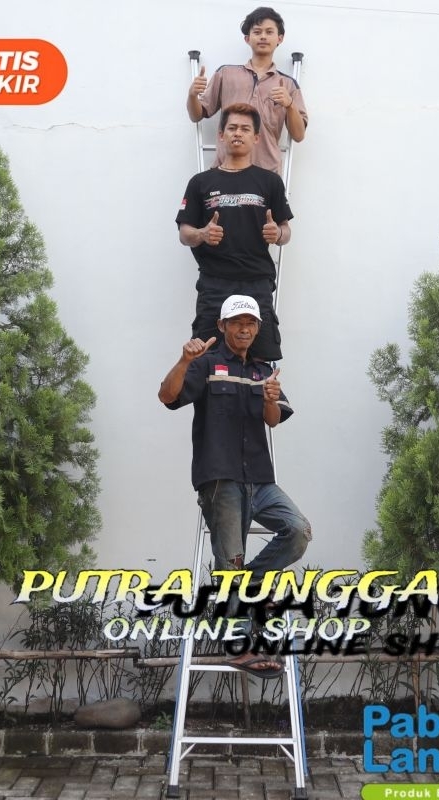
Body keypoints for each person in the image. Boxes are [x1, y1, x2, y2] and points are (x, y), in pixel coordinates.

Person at [158, 294, 311, 678]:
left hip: (260, 479)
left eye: (250, 323)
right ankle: (238, 643)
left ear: (257, 328)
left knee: (298, 531)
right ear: (222, 326)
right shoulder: (206, 364)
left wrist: (271, 399)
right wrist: (184, 361)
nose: (245, 329)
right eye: (237, 322)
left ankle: (250, 589)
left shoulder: (263, 371)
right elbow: (167, 396)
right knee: (230, 562)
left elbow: (272, 420)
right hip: (220, 479)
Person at [176, 103, 292, 362]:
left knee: (260, 361)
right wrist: (202, 234)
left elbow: (286, 231)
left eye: (245, 129)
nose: (238, 133)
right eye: (232, 128)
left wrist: (277, 233)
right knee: (204, 358)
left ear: (256, 137)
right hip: (214, 283)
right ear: (221, 134)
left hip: (256, 282)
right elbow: (184, 233)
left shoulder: (270, 182)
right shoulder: (200, 183)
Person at [187, 6, 308, 174]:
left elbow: (299, 135)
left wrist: (290, 105)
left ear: (280, 38)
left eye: (269, 32)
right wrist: (192, 95)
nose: (263, 36)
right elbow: (196, 115)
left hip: (266, 173)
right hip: (225, 170)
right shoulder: (225, 74)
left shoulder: (288, 84)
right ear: (247, 38)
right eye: (257, 32)